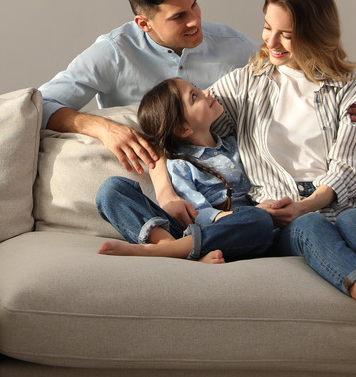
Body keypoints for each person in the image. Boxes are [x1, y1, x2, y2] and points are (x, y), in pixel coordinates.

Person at [150, 0, 356, 377]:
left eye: (288, 34)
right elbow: (170, 128)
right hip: (279, 213)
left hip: (331, 201)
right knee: (311, 226)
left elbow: (348, 169)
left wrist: (309, 201)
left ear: (316, 35)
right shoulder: (245, 83)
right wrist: (164, 187)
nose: (272, 43)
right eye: (267, 27)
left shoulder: (349, 90)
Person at [38, 0, 356, 224]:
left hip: (233, 195)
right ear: (144, 23)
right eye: (178, 17)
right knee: (113, 192)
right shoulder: (112, 53)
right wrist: (102, 126)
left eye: (195, 5)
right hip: (161, 180)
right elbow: (39, 105)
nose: (195, 21)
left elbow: (297, 77)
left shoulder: (233, 47)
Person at [95, 78, 275, 264]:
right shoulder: (180, 164)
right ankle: (169, 246)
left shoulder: (236, 145)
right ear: (183, 128)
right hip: (192, 230)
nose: (207, 92)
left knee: (259, 220)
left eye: (197, 89)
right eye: (195, 96)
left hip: (233, 235)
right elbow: (198, 214)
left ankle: (178, 252)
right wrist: (235, 216)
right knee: (111, 189)